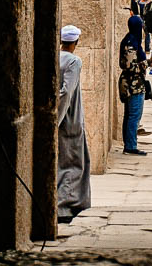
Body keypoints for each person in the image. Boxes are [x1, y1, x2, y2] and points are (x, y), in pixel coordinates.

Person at [58, 25, 91, 221]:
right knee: (73, 163)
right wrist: (59, 118)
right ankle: (65, 205)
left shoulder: (56, 58)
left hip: (60, 115)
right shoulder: (73, 61)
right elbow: (66, 91)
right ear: (75, 43)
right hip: (69, 118)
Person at [118, 15, 152, 155]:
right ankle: (130, 146)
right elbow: (129, 66)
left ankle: (129, 143)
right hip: (133, 84)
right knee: (134, 115)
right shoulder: (131, 43)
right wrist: (148, 62)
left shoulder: (131, 40)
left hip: (134, 83)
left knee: (129, 115)